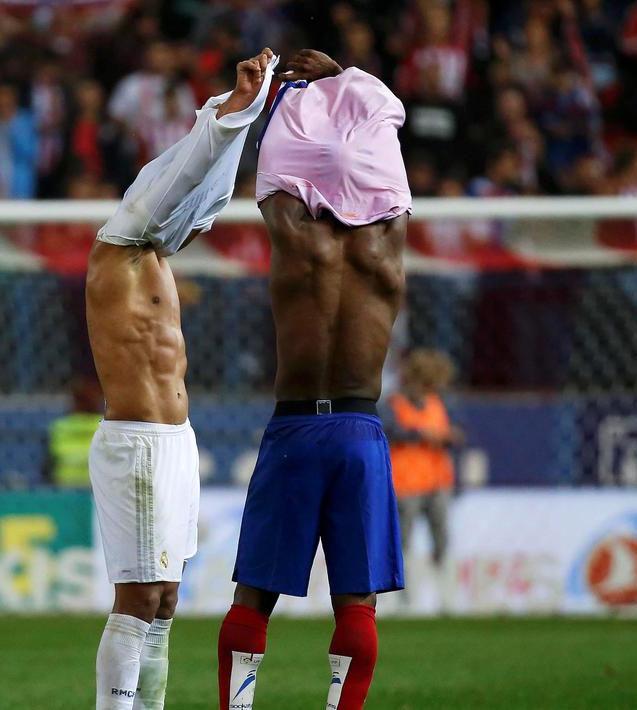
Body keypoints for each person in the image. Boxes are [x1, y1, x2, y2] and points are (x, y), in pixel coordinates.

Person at [218, 49, 410, 710]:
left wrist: (290, 96)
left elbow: (272, 188)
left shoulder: (294, 243)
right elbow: (384, 185)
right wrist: (344, 81)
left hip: (295, 426)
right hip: (357, 431)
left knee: (253, 598)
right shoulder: (388, 246)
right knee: (355, 603)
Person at [87, 49, 276, 710]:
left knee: (165, 603)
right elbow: (186, 170)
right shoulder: (117, 249)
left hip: (173, 443)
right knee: (138, 601)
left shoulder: (158, 255)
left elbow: (208, 193)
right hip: (136, 444)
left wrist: (245, 120)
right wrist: (230, 111)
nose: (183, 215)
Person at [386, 349, 464, 584]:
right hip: (406, 483)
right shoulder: (394, 403)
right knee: (402, 540)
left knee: (442, 537)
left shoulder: (436, 403)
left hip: (437, 481)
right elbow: (389, 430)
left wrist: (449, 437)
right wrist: (420, 434)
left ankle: (445, 591)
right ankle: (401, 592)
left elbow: (449, 433)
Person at [45, 378, 105, 488]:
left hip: (64, 486)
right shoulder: (104, 426)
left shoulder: (59, 426)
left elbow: (47, 464)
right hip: (98, 486)